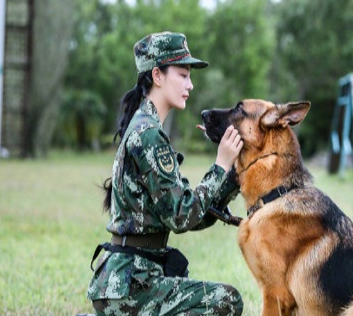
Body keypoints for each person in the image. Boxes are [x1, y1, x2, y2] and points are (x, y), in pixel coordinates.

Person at [87, 31, 244, 316]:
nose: (190, 85)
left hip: (127, 282)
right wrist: (221, 164)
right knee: (227, 301)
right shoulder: (148, 135)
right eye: (183, 75)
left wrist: (231, 179)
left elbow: (191, 216)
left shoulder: (147, 128)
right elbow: (183, 216)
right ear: (157, 76)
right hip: (131, 287)